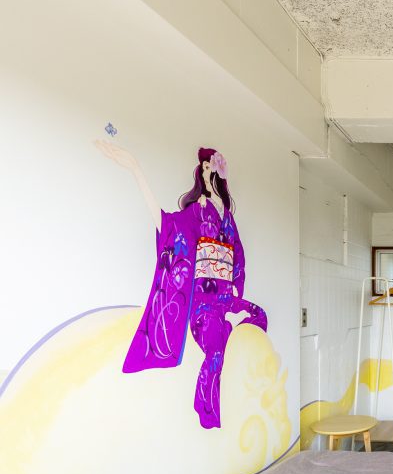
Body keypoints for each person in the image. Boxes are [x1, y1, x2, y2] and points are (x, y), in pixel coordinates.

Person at [96, 143, 267, 429]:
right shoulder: (197, 211)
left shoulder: (227, 215)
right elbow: (166, 224)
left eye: (212, 166)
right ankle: (206, 407)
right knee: (215, 354)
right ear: (201, 173)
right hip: (203, 303)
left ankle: (228, 335)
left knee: (260, 316)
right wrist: (136, 169)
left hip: (225, 297)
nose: (209, 171)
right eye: (205, 167)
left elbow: (237, 251)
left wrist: (237, 283)